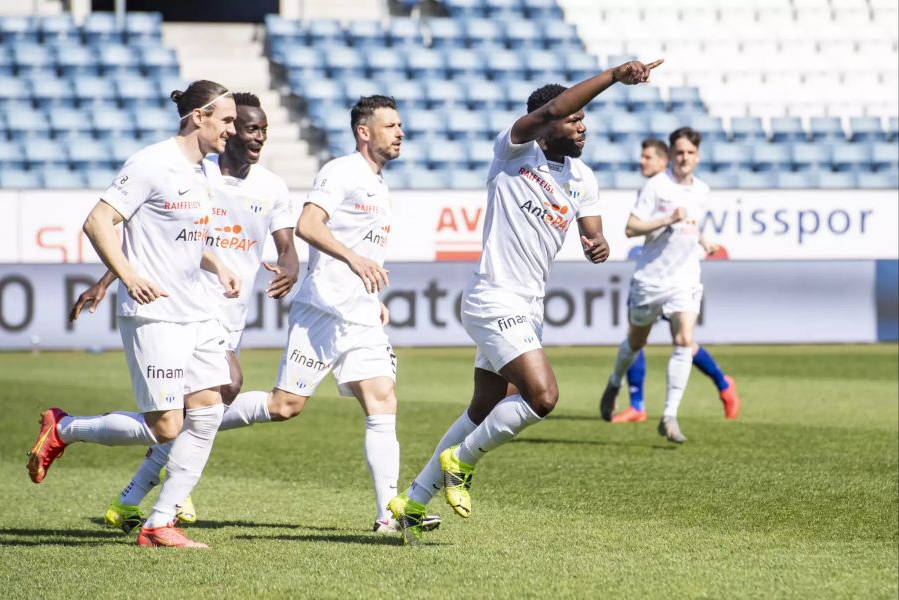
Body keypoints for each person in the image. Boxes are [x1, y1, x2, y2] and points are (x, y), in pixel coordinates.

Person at [386, 59, 663, 545]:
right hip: (494, 296)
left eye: (582, 120)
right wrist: (615, 76)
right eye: (574, 119)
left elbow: (592, 233)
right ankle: (462, 461)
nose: (582, 126)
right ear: (547, 123)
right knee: (543, 397)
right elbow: (557, 104)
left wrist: (595, 246)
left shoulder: (583, 178)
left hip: (528, 307)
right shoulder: (513, 152)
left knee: (484, 405)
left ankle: (411, 501)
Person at [157, 94, 437, 534]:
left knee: (383, 399)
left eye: (400, 125)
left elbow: (362, 245)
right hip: (322, 310)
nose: (400, 132)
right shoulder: (342, 171)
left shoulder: (379, 183)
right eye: (390, 126)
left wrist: (370, 296)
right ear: (364, 132)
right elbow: (308, 225)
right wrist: (353, 261)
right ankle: (193, 426)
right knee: (285, 406)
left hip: (359, 314)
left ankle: (389, 515)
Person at [69, 92, 300, 532]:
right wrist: (114, 278)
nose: (248, 134)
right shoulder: (175, 166)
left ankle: (147, 508)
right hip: (171, 310)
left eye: (257, 129)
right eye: (239, 124)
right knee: (194, 409)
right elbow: (124, 228)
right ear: (206, 121)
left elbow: (204, 240)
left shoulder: (259, 184)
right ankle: (78, 439)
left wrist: (257, 266)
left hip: (217, 310)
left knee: (202, 410)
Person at [26, 80, 240, 548]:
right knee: (166, 426)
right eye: (225, 119)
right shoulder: (151, 162)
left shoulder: (205, 171)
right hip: (155, 315)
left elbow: (181, 238)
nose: (233, 128)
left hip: (197, 311)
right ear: (198, 116)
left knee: (206, 412)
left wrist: (219, 264)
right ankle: (63, 428)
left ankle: (159, 523)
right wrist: (124, 275)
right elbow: (98, 222)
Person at [599, 127, 729, 444]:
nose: (684, 158)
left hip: (685, 278)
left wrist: (704, 241)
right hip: (651, 278)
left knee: (684, 340)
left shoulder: (702, 190)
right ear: (671, 154)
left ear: (697, 156)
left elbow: (691, 224)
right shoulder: (656, 186)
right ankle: (615, 381)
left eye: (690, 153)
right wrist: (666, 219)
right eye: (680, 152)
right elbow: (631, 228)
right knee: (635, 342)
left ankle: (669, 416)